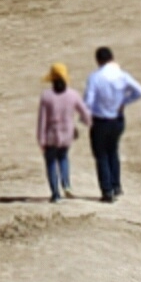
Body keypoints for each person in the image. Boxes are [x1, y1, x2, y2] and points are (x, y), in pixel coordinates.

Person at [83, 46, 141, 202]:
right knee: (113, 151)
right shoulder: (122, 75)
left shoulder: (95, 77)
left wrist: (84, 117)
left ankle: (107, 191)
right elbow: (140, 91)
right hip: (118, 119)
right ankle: (116, 186)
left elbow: (89, 101)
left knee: (102, 155)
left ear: (98, 60)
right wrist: (124, 101)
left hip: (100, 121)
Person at [35, 65, 88, 201]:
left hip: (51, 136)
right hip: (66, 135)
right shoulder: (73, 95)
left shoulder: (46, 96)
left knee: (51, 163)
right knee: (63, 158)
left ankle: (56, 194)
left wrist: (41, 140)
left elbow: (42, 120)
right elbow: (85, 113)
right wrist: (86, 124)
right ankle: (67, 184)